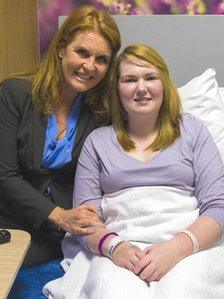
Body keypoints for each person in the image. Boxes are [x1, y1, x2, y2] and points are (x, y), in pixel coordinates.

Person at [43, 44, 224, 299]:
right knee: (112, 291)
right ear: (118, 91)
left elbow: (218, 208)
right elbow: (85, 220)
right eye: (130, 80)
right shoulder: (97, 142)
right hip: (120, 245)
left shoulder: (192, 130)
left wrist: (175, 248)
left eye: (150, 77)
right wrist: (116, 248)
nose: (141, 88)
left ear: (164, 85)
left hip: (186, 243)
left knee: (181, 292)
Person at [0, 5, 121, 267]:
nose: (90, 66)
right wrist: (59, 215)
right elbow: (4, 175)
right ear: (61, 48)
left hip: (55, 233)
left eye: (101, 59)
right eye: (82, 52)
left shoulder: (100, 112)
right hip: (7, 216)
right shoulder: (15, 94)